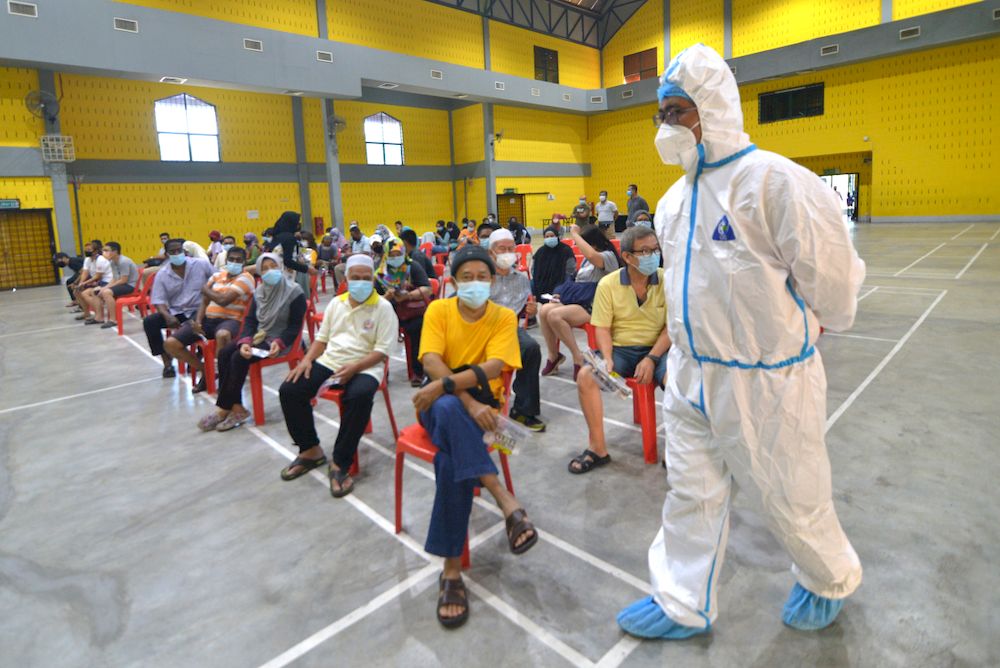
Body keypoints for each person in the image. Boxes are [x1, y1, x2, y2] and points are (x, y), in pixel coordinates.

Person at [616, 43, 865, 640]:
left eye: (678, 111)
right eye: (662, 114)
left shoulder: (776, 184)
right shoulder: (674, 202)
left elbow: (834, 286)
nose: (667, 126)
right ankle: (682, 599)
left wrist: (810, 323)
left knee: (792, 491)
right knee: (689, 493)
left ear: (714, 108)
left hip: (768, 381)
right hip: (691, 376)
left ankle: (827, 576)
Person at [410, 244, 536, 629]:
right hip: (444, 404)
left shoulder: (501, 317)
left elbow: (496, 364)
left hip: (464, 400)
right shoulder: (438, 309)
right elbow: (430, 359)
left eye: (483, 277)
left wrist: (447, 387)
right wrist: (462, 398)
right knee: (448, 409)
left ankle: (451, 572)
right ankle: (504, 500)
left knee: (450, 459)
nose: (475, 283)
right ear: (453, 281)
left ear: (493, 280)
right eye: (467, 277)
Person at [275, 253, 397, 494]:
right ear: (347, 278)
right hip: (331, 361)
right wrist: (306, 360)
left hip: (366, 365)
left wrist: (355, 368)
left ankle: (341, 461)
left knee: (358, 396)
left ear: (373, 279)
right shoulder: (336, 303)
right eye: (355, 277)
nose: (361, 282)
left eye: (366, 277)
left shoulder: (383, 308)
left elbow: (382, 352)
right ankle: (310, 450)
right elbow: (321, 340)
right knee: (290, 390)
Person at [568, 227, 669, 473]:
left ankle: (678, 449)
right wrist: (608, 359)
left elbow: (671, 328)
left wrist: (652, 358)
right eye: (644, 251)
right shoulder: (608, 284)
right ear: (627, 257)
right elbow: (601, 327)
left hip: (660, 349)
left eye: (655, 250)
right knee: (586, 376)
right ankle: (598, 448)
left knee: (679, 379)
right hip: (622, 350)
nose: (652, 256)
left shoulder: (667, 279)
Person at [197, 253, 308, 432]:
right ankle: (236, 407)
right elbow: (250, 321)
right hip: (259, 336)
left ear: (280, 266)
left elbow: (294, 327)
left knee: (238, 359)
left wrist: (279, 342)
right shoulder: (260, 292)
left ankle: (223, 408)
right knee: (226, 352)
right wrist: (245, 341)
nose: (269, 271)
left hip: (279, 340)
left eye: (273, 266)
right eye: (264, 269)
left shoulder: (294, 292)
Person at [165, 246, 255, 393]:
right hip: (208, 319)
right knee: (171, 344)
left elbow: (223, 300)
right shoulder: (218, 275)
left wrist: (205, 289)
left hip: (231, 320)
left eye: (238, 260)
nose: (234, 262)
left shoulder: (246, 278)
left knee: (223, 335)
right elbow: (205, 301)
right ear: (226, 260)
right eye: (231, 259)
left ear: (244, 262)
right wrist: (199, 321)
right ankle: (207, 372)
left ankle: (225, 380)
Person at [538, 223, 621, 380]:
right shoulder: (585, 262)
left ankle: (577, 357)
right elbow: (575, 280)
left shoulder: (608, 257)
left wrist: (575, 234)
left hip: (594, 306)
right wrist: (560, 295)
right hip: (579, 301)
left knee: (555, 316)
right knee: (544, 311)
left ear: (593, 243)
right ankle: (553, 355)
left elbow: (591, 255)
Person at [487, 230, 545, 431]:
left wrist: (531, 309)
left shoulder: (521, 279)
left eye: (510, 249)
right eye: (501, 249)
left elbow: (523, 308)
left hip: (510, 330)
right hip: (483, 330)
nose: (507, 253)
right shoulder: (482, 277)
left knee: (531, 348)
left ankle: (523, 410)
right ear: (491, 252)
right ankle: (483, 404)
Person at [143, 238, 215, 378]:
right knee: (150, 322)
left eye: (179, 250)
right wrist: (167, 315)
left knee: (198, 326)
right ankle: (167, 364)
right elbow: (158, 300)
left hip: (201, 308)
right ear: (166, 255)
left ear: (185, 251)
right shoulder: (162, 274)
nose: (176, 253)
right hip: (178, 311)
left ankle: (196, 357)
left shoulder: (201, 264)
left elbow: (217, 279)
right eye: (172, 251)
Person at [378, 238, 433, 386]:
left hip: (411, 310)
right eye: (392, 254)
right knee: (375, 329)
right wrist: (387, 297)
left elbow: (427, 289)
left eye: (398, 254)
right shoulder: (381, 271)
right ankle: (379, 371)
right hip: (388, 311)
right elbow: (374, 300)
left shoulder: (412, 266)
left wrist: (408, 295)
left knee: (418, 327)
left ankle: (418, 372)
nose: (395, 258)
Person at [86, 241, 139, 329]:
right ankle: (99, 318)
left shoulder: (123, 261)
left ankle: (113, 320)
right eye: (103, 251)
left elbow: (123, 280)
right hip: (122, 284)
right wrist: (104, 287)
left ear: (115, 252)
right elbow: (114, 279)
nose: (104, 253)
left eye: (106, 250)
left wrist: (106, 289)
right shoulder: (112, 262)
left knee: (106, 292)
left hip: (130, 286)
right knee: (95, 291)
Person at [271, 211, 316, 295]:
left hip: (274, 274)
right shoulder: (289, 238)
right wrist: (306, 269)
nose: (298, 224)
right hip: (285, 276)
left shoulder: (277, 236)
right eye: (297, 222)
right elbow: (288, 261)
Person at [530, 225, 576, 301]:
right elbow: (533, 269)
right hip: (543, 280)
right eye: (547, 237)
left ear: (557, 236)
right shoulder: (540, 252)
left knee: (560, 288)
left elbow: (571, 270)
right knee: (531, 285)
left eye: (552, 236)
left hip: (561, 279)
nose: (549, 238)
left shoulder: (566, 250)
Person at [73, 241, 111, 322]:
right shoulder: (87, 259)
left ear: (96, 251)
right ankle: (86, 313)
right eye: (86, 249)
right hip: (97, 281)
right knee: (76, 291)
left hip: (106, 281)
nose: (87, 251)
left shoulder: (101, 260)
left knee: (85, 293)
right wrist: (81, 283)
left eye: (89, 249)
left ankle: (99, 314)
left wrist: (85, 283)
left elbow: (98, 276)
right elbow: (85, 272)